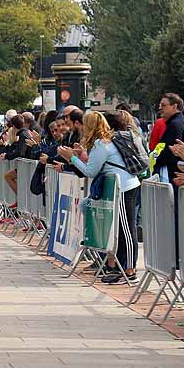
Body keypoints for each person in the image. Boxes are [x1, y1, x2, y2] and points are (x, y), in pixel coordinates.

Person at [59, 111, 142, 284]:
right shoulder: (105, 142)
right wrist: (80, 157)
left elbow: (90, 171)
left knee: (126, 230)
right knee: (120, 229)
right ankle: (119, 267)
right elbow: (94, 164)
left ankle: (130, 270)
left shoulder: (101, 144)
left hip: (124, 189)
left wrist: (72, 158)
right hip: (123, 186)